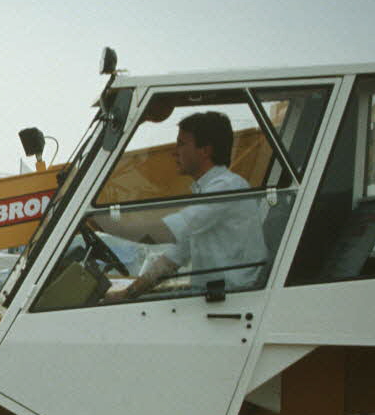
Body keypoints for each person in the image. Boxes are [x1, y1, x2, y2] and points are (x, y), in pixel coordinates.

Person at [102, 111, 265, 300]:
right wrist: (128, 294)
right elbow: (173, 258)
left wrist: (109, 224)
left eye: (181, 144)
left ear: (205, 150)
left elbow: (163, 233)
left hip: (234, 298)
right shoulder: (208, 191)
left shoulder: (226, 188)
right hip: (213, 295)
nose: (174, 152)